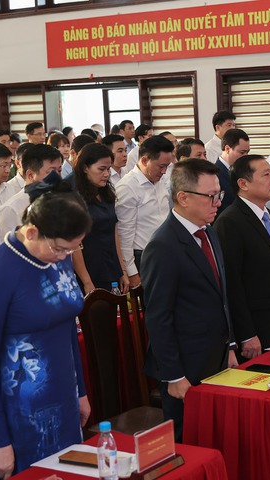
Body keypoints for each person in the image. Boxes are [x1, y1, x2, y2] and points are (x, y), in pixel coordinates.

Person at [0, 176, 92, 478]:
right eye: (61, 248)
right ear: (32, 231)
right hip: (21, 409)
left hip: (63, 395)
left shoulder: (56, 256)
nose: (65, 257)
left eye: (73, 249)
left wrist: (81, 391)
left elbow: (67, 329)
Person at [141, 158, 237, 442]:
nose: (218, 202)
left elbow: (222, 297)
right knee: (188, 443)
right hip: (185, 366)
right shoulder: (163, 245)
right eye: (210, 196)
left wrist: (230, 345)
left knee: (217, 437)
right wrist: (173, 375)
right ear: (182, 197)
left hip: (216, 357)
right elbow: (159, 317)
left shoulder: (208, 232)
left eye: (219, 194)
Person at [214, 154, 270, 360]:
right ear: (243, 184)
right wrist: (246, 333)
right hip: (256, 327)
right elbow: (232, 283)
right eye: (266, 175)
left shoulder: (269, 215)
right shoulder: (230, 222)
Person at [115, 135, 174, 289]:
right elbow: (124, 234)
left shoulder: (160, 180)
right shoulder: (128, 187)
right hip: (143, 256)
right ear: (144, 160)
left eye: (167, 166)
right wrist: (132, 272)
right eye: (161, 166)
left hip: (166, 252)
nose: (164, 171)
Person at [72, 143, 129, 293]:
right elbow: (74, 245)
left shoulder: (105, 192)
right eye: (101, 169)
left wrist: (122, 270)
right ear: (85, 168)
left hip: (111, 266)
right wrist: (87, 281)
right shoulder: (74, 197)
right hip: (89, 270)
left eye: (108, 169)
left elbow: (114, 231)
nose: (107, 174)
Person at [0, 144, 63, 236]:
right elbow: (10, 248)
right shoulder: (11, 210)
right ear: (31, 175)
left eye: (59, 171)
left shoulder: (60, 200)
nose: (57, 177)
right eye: (51, 172)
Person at [215, 128, 250, 218]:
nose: (246, 156)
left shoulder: (244, 171)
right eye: (242, 152)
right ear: (227, 149)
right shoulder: (214, 174)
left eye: (247, 152)